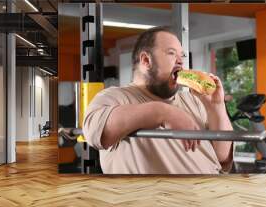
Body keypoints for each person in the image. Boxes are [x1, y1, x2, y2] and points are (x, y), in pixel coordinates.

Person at [83, 26, 233, 174]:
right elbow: (94, 133)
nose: (181, 61)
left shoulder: (194, 100)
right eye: (171, 53)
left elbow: (222, 157)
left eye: (182, 56)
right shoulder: (115, 97)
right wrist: (163, 113)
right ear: (146, 60)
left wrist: (216, 106)